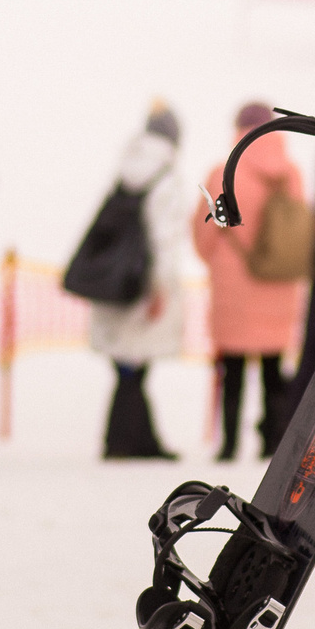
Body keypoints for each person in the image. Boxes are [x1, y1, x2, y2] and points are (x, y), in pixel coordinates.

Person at [190, 101, 306, 462]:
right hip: (279, 282)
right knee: (273, 367)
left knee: (234, 368)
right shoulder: (291, 174)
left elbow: (204, 232)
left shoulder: (224, 171)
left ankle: (229, 444)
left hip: (233, 284)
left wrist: (216, 259)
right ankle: (272, 440)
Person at [88, 103, 186, 460]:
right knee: (133, 369)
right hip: (143, 284)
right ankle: (127, 442)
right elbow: (164, 237)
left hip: (117, 283)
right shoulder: (166, 177)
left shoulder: (126, 169)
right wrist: (159, 287)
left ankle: (134, 439)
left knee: (127, 367)